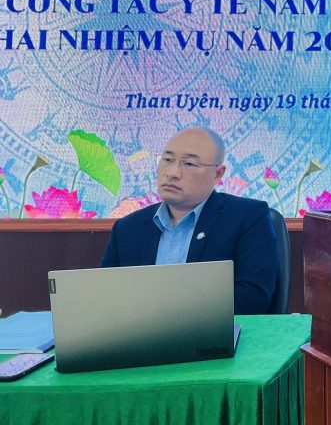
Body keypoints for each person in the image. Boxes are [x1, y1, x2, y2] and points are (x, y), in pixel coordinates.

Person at [100, 127, 280, 313]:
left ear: (217, 174)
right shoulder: (127, 228)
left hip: (214, 330)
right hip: (140, 330)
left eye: (190, 164)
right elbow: (105, 296)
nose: (172, 173)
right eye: (168, 160)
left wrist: (171, 317)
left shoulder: (248, 217)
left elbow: (253, 298)